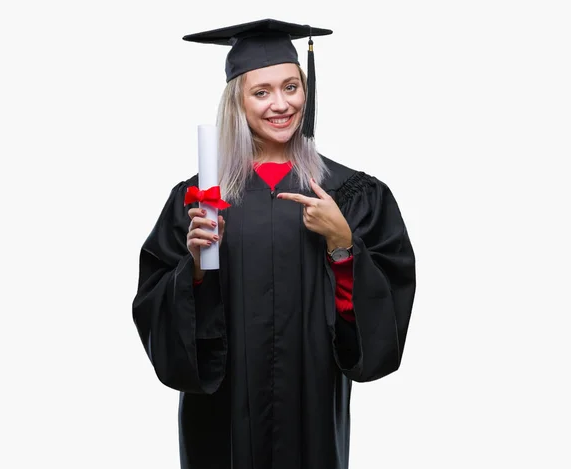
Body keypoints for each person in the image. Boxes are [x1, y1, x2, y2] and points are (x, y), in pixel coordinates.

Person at [132, 18, 416, 469]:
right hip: (221, 420)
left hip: (312, 408)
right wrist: (196, 270)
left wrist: (343, 245)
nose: (280, 105)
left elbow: (383, 315)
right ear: (237, 103)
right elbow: (156, 306)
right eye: (261, 92)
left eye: (291, 87)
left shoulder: (352, 194)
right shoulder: (200, 199)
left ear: (307, 91)